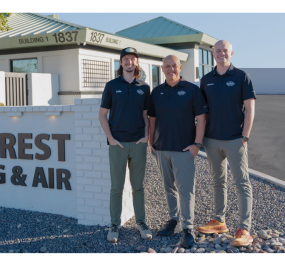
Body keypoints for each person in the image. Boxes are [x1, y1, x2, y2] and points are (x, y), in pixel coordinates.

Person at [194, 40, 256, 247]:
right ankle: (219, 220)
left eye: (225, 51)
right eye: (218, 50)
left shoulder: (241, 77)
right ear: (213, 54)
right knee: (217, 181)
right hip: (211, 140)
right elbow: (201, 111)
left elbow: (250, 108)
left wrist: (245, 136)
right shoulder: (206, 80)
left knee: (241, 183)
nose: (221, 53)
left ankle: (244, 228)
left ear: (231, 53)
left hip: (234, 139)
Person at [149, 55, 207, 248]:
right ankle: (173, 220)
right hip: (161, 148)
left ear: (180, 67)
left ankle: (187, 228)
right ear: (162, 69)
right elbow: (152, 119)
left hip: (184, 149)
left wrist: (197, 145)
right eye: (167, 66)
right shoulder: (156, 92)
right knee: (169, 188)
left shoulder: (192, 90)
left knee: (186, 190)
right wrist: (151, 142)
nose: (171, 69)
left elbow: (201, 118)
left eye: (174, 66)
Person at [98, 47, 152, 243]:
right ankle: (114, 225)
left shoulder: (145, 88)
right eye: (126, 59)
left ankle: (141, 223)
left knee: (138, 187)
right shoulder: (112, 86)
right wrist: (111, 139)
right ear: (120, 63)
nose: (130, 62)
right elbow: (102, 115)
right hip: (117, 144)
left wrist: (146, 136)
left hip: (138, 143)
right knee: (116, 188)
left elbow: (146, 116)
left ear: (137, 63)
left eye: (133, 59)